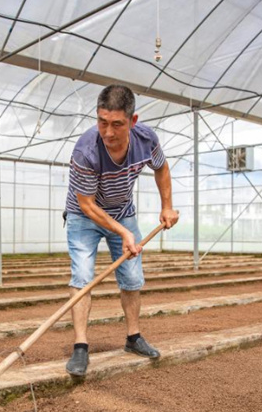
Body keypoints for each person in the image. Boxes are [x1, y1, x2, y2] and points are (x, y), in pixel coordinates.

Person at [64, 84, 178, 377]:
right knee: (83, 276)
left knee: (131, 276)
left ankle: (133, 337)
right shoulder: (86, 150)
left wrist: (167, 206)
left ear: (133, 121)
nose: (108, 132)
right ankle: (80, 346)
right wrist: (125, 234)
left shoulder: (146, 139)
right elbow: (88, 205)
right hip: (83, 216)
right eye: (102, 122)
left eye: (117, 124)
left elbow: (161, 168)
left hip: (122, 212)